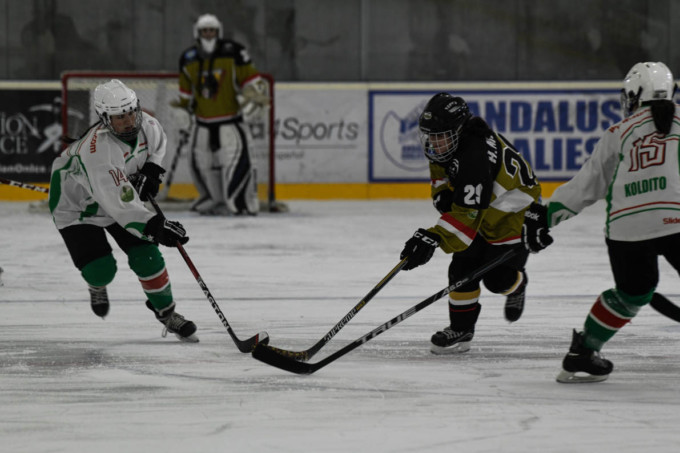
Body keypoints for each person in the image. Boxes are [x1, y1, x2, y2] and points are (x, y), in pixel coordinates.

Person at [524, 61, 680, 383]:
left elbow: (588, 184)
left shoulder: (618, 133)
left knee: (632, 293)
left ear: (635, 95)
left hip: (627, 228)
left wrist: (546, 216)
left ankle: (582, 353)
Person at [48, 79, 198, 343]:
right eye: (120, 117)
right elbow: (122, 207)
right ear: (105, 119)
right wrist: (155, 227)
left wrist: (152, 168)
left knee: (148, 255)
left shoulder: (148, 125)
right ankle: (97, 285)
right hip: (77, 208)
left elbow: (158, 144)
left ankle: (166, 313)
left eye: (131, 112)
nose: (129, 121)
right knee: (102, 270)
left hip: (115, 197)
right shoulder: (99, 152)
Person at [399, 92, 547, 354]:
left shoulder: (475, 157)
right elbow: (440, 169)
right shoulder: (451, 143)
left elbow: (467, 217)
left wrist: (434, 238)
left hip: (514, 215)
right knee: (462, 268)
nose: (434, 143)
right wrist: (442, 194)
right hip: (485, 206)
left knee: (496, 280)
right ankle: (462, 328)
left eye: (440, 136)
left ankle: (518, 284)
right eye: (430, 136)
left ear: (458, 130)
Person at [172, 13, 269, 216]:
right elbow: (185, 92)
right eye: (205, 31)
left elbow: (251, 80)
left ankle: (241, 203)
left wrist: (255, 96)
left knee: (237, 163)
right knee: (201, 164)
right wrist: (181, 110)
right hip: (202, 123)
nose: (208, 34)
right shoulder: (188, 58)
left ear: (219, 32)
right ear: (197, 33)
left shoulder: (234, 52)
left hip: (230, 121)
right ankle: (213, 200)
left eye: (212, 31)